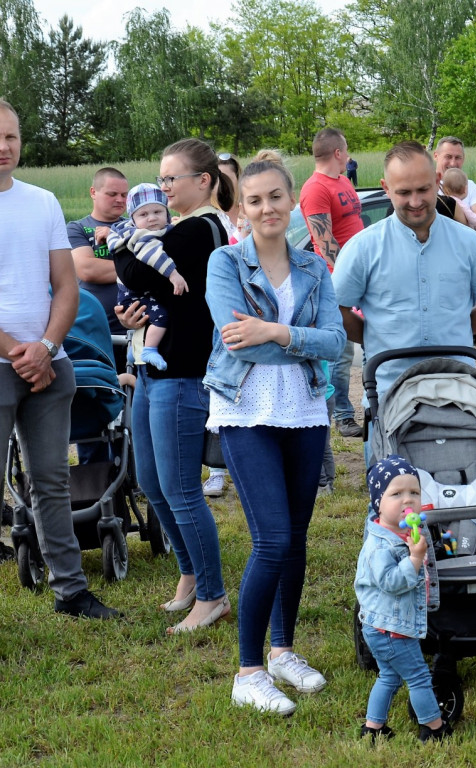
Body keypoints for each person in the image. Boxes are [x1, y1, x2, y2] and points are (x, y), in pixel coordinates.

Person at [205, 150, 345, 716]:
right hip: (244, 408)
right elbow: (235, 336)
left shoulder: (313, 267)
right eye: (255, 200)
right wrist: (292, 335)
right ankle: (248, 672)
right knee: (273, 539)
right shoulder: (225, 263)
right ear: (243, 208)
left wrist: (276, 331)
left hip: (305, 408)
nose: (267, 208)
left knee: (299, 535)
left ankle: (284, 650)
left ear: (292, 202)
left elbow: (338, 342)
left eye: (276, 198)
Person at [0, 99, 120, 619]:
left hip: (51, 362)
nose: (4, 148)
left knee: (50, 480)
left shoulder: (42, 201)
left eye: (10, 137)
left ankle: (70, 591)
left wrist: (46, 348)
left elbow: (67, 286)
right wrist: (18, 353)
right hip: (7, 363)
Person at [114, 138, 232, 634]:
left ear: (202, 181)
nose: (161, 189)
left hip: (183, 375)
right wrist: (129, 309)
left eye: (170, 179)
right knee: (153, 485)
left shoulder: (200, 231)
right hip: (150, 371)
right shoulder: (174, 231)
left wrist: (127, 263)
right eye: (160, 178)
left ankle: (213, 595)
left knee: (182, 490)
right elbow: (138, 281)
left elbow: (129, 265)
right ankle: (189, 574)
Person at [332, 141, 476, 406]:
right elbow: (337, 310)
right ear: (386, 188)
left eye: (423, 190)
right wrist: (378, 336)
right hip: (388, 394)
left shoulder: (469, 243)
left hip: (458, 392)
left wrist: (453, 329)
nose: (415, 202)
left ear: (437, 181)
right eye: (404, 192)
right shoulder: (363, 247)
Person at [355, 455, 453, 743]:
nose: (407, 500)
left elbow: (437, 547)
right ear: (377, 503)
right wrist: (415, 558)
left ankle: (373, 729)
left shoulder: (403, 531)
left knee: (389, 677)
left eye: (414, 492)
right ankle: (434, 729)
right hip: (390, 629)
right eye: (396, 493)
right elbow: (391, 582)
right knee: (419, 678)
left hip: (384, 626)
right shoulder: (379, 545)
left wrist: (439, 543)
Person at [300, 127, 363, 439]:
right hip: (335, 280)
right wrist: (348, 278)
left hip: (358, 273)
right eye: (347, 150)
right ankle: (342, 414)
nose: (348, 155)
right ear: (338, 152)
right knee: (341, 352)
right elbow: (324, 243)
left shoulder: (342, 181)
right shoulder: (315, 189)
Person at [107, 183, 184, 372]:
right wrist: (173, 274)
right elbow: (153, 255)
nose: (151, 218)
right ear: (132, 219)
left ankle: (136, 349)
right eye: (143, 214)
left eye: (158, 211)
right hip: (132, 295)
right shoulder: (141, 236)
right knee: (161, 316)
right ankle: (149, 349)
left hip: (135, 294)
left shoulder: (157, 230)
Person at [204, 153, 244, 497]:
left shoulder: (247, 217)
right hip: (214, 317)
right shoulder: (207, 221)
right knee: (219, 391)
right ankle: (216, 470)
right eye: (218, 179)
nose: (223, 185)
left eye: (228, 178)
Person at [67, 167, 130, 371]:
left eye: (124, 195)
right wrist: (136, 270)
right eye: (112, 194)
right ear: (93, 192)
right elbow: (88, 269)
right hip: (92, 334)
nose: (120, 200)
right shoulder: (76, 228)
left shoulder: (136, 227)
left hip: (135, 330)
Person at [434, 135, 476, 228]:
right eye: (448, 157)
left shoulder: (470, 185)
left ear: (463, 159)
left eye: (458, 157)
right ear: (436, 156)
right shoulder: (425, 185)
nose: (453, 163)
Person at [441, 167, 476, 237]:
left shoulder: (441, 201)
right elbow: (473, 218)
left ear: (444, 189)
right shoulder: (459, 204)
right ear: (465, 189)